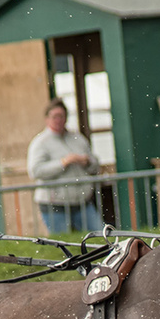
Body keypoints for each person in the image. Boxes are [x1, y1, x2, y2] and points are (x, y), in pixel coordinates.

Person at [27, 98, 102, 233]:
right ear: (47, 119)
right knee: (62, 244)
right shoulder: (40, 143)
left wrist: (87, 162)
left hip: (81, 201)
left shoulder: (77, 138)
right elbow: (35, 171)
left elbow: (95, 165)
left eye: (61, 116)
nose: (58, 120)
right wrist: (63, 163)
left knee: (101, 236)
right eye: (55, 116)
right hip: (54, 204)